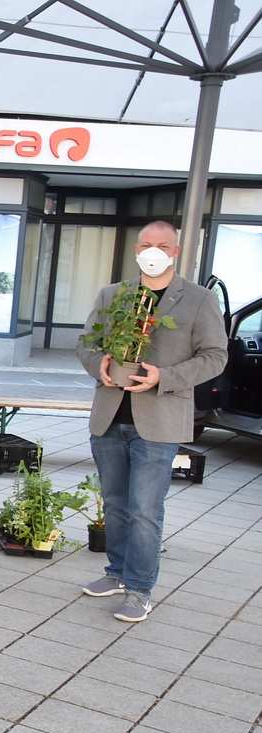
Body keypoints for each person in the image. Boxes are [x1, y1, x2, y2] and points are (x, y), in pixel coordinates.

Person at [77, 220, 226, 623]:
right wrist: (100, 363)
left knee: (145, 508)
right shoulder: (115, 295)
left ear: (175, 252)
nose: (153, 251)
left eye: (162, 245)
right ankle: (117, 572)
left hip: (159, 420)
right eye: (146, 244)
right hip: (110, 415)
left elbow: (215, 355)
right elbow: (87, 342)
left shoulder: (198, 299)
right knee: (116, 503)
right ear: (136, 250)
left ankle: (140, 588)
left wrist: (165, 377)